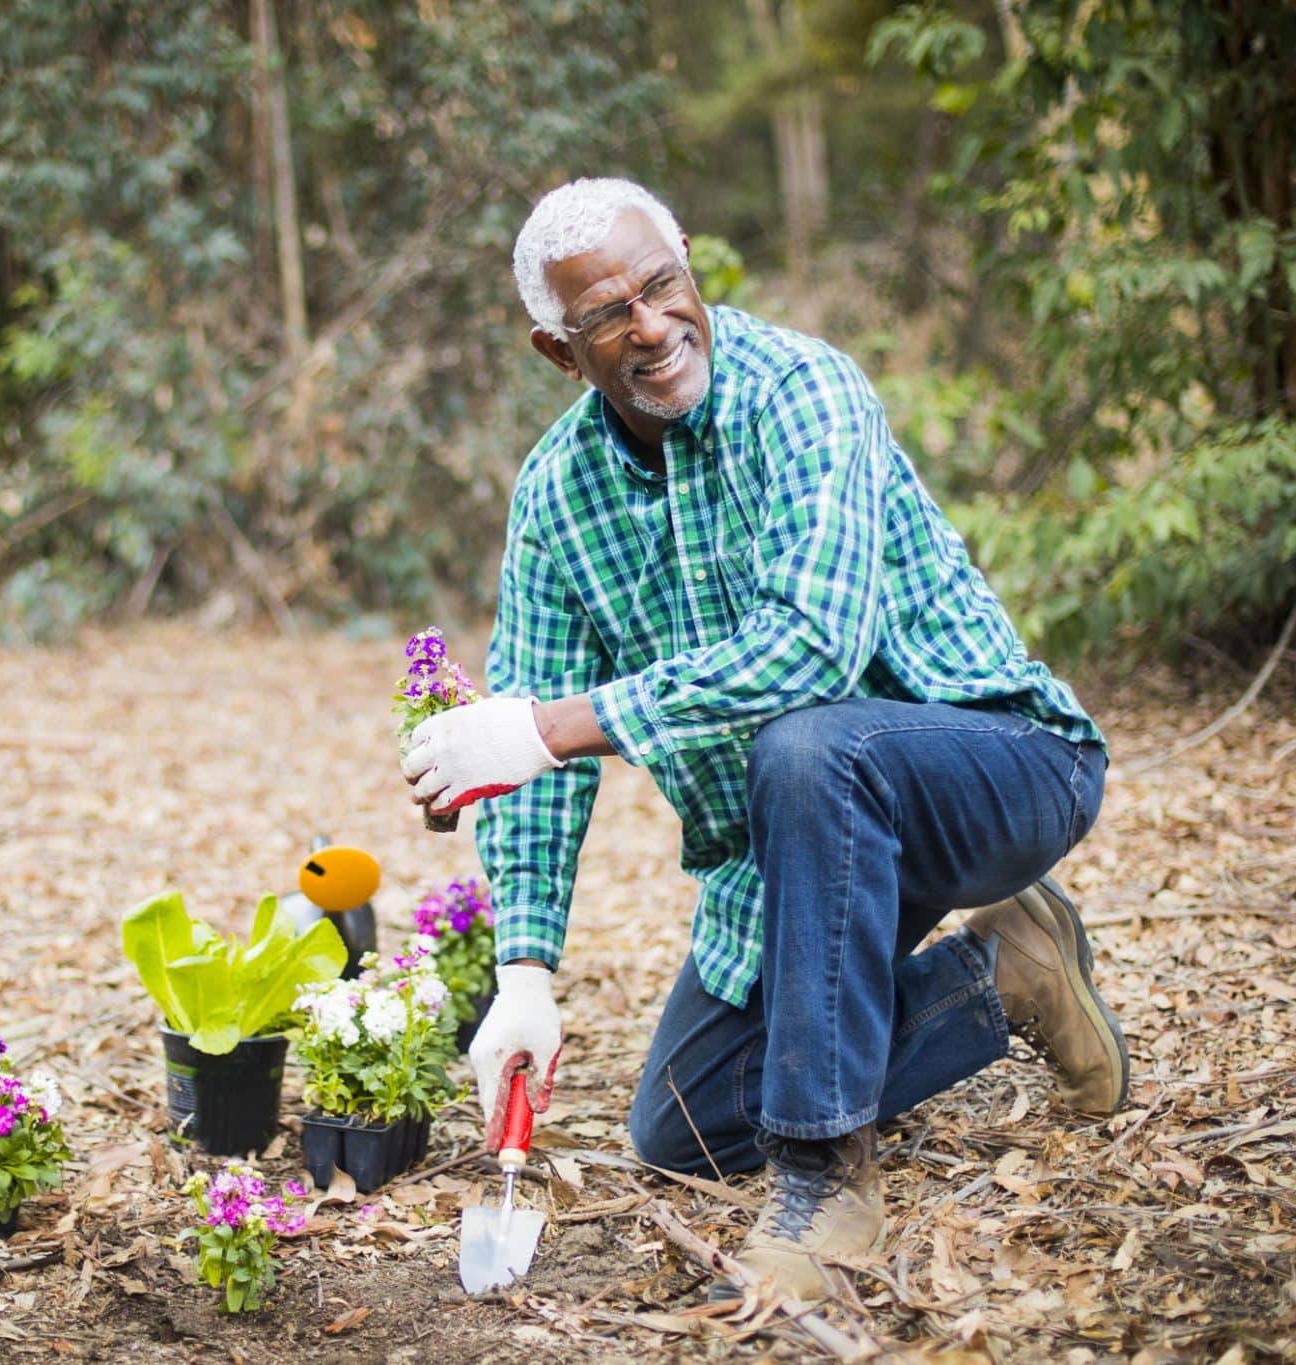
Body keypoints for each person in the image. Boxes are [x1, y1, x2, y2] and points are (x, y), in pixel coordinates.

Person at [401, 177, 1125, 1303]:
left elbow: (810, 651)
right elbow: (526, 751)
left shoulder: (802, 391)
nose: (649, 326)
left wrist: (549, 728)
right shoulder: (555, 495)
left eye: (660, 285)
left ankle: (825, 1182)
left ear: (688, 260)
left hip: (997, 765)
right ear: (559, 351)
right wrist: (524, 972)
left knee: (805, 741)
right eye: (606, 316)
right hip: (802, 837)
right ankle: (1007, 974)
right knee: (685, 1121)